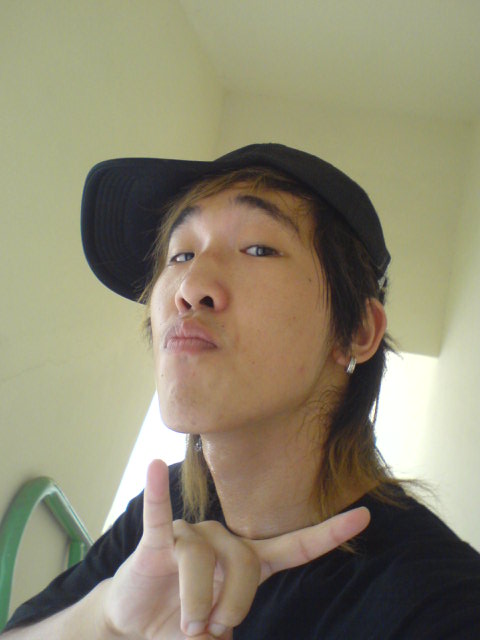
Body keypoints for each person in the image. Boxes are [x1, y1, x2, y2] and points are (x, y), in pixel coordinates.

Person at [3, 143, 480, 639]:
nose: (190, 286)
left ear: (356, 331)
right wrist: (105, 620)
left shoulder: (440, 603)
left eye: (258, 249)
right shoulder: (165, 516)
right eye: (180, 254)